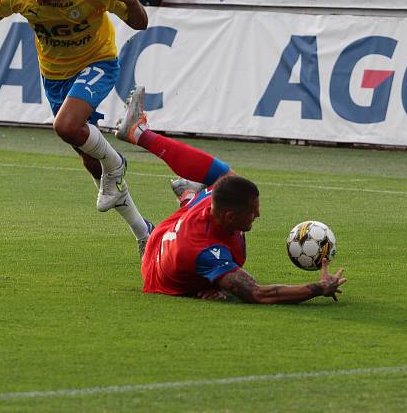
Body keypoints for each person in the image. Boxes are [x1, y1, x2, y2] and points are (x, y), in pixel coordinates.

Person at [0, 0, 152, 253]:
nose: (40, 0)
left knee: (67, 126)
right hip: (54, 76)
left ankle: (117, 163)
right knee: (89, 158)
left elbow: (141, 24)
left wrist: (131, 1)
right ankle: (142, 230)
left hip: (97, 62)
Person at [115, 87, 347, 304]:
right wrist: (318, 288)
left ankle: (143, 138)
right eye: (251, 211)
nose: (258, 214)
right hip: (159, 273)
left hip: (171, 231)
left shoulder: (218, 202)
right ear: (229, 217)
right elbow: (258, 293)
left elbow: (227, 188)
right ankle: (186, 195)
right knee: (215, 252)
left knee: (227, 175)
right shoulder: (203, 250)